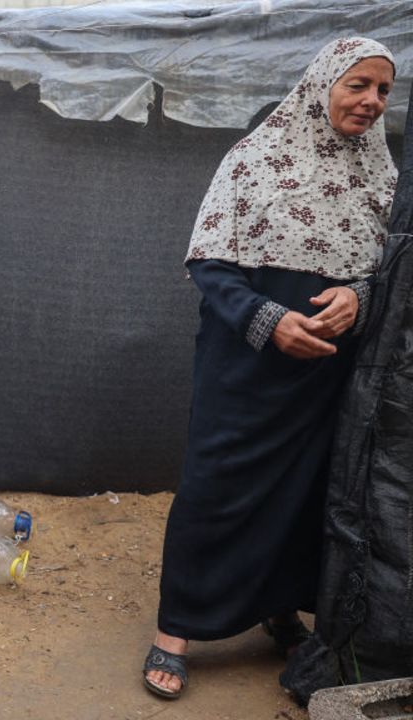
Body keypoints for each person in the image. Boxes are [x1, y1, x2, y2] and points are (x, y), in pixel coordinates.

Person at [143, 37, 397, 700]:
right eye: (359, 85)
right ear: (322, 84)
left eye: (383, 91)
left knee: (308, 493)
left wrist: (360, 297)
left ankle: (279, 608)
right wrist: (269, 320)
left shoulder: (382, 174)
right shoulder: (255, 158)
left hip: (327, 377)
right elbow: (209, 263)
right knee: (217, 486)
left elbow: (389, 270)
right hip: (247, 367)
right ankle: (176, 630)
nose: (371, 102)